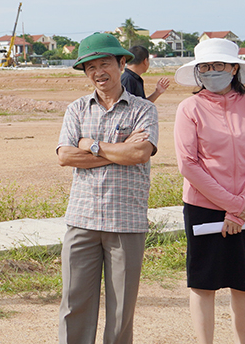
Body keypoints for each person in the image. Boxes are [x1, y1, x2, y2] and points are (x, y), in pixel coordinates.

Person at [56, 32, 158, 344]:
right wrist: (116, 151)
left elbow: (140, 153)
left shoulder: (143, 109)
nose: (98, 72)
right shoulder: (77, 109)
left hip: (125, 222)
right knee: (74, 305)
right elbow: (65, 156)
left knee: (120, 313)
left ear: (121, 63)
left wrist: (91, 146)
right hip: (82, 220)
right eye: (90, 67)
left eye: (105, 64)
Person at [173, 38, 245, 344]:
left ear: (234, 69)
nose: (212, 71)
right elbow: (188, 165)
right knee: (203, 284)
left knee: (244, 283)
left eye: (218, 65)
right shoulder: (189, 108)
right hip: (205, 208)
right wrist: (232, 205)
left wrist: (241, 208)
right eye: (205, 66)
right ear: (198, 72)